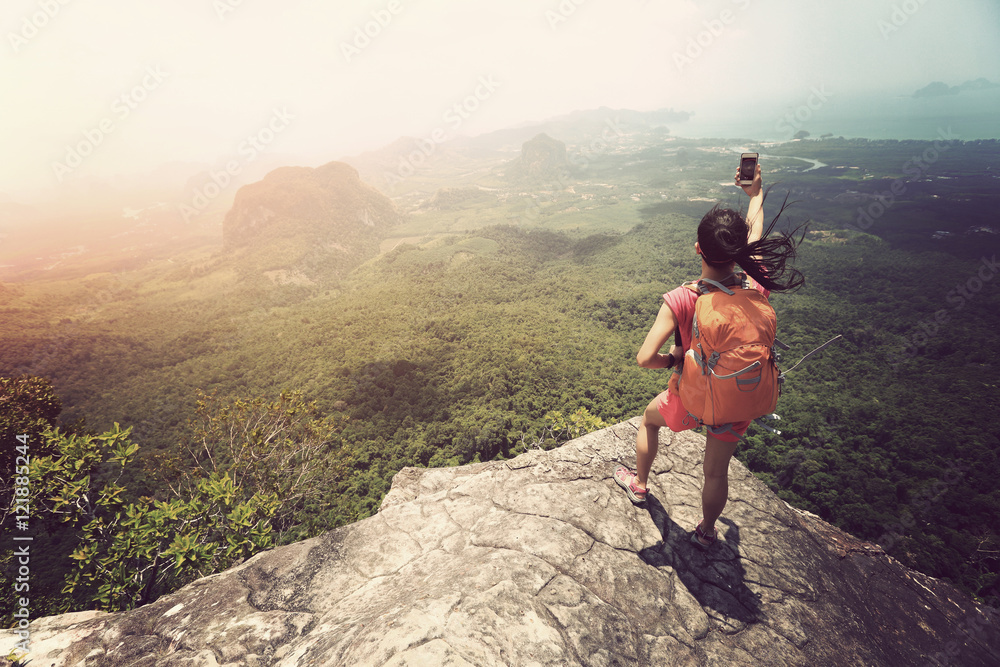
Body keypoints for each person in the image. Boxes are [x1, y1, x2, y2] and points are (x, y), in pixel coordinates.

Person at [614, 163, 805, 548]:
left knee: (649, 422)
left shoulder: (682, 298)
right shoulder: (754, 285)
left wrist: (674, 359)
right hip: (737, 398)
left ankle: (639, 484)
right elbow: (754, 230)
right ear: (739, 252)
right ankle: (706, 531)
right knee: (715, 473)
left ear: (698, 248)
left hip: (691, 400)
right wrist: (755, 194)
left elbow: (645, 358)